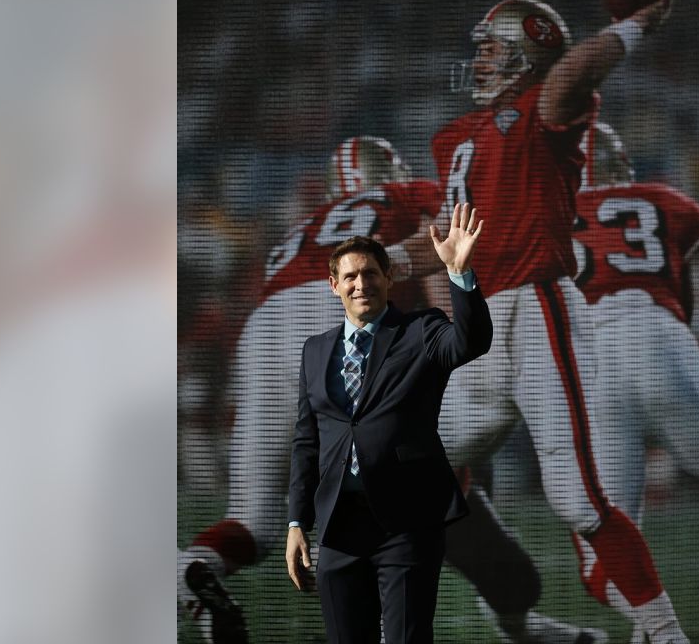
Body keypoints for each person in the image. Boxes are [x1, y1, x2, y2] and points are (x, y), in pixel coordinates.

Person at [178, 138, 603, 643]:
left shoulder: (303, 230)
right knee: (454, 428)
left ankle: (191, 566)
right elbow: (443, 269)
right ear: (394, 170)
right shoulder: (410, 195)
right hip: (344, 315)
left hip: (268, 326)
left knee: (256, 516)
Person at [390, 0, 691, 642]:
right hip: (481, 326)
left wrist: (635, 22)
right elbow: (446, 237)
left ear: (526, 54)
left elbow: (573, 72)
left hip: (536, 311)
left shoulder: (542, 108)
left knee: (580, 500)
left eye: (492, 47)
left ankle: (665, 635)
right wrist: (378, 263)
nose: (479, 60)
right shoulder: (456, 138)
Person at [286, 207, 491, 644]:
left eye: (372, 273)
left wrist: (460, 273)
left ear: (389, 278)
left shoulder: (420, 330)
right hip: (339, 528)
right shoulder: (315, 350)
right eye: (351, 276)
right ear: (334, 285)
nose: (362, 284)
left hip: (408, 522)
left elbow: (470, 342)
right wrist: (295, 523)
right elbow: (307, 442)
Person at [571, 121, 699, 611]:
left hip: (587, 361)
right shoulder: (665, 199)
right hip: (654, 331)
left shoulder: (546, 212)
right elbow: (692, 292)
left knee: (606, 550)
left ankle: (654, 626)